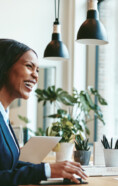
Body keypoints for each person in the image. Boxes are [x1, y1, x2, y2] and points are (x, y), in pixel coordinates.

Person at [0, 39, 87, 185]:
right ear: (4, 65)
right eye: (29, 66)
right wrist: (45, 171)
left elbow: (9, 165)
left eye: (37, 71)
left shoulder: (4, 114)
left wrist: (52, 170)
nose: (35, 76)